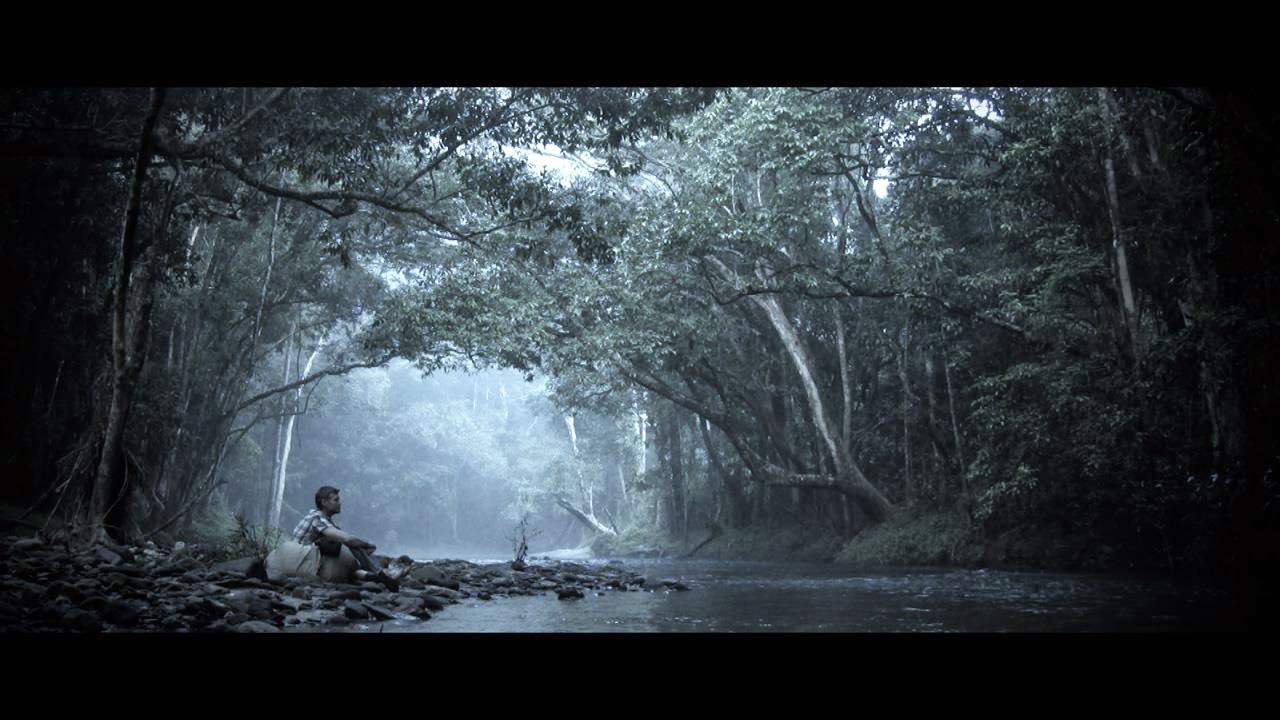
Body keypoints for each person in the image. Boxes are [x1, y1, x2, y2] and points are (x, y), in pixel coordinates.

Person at [267, 485, 398, 591]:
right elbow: (347, 539)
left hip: (309, 560)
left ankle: (374, 575)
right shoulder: (317, 518)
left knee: (351, 550)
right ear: (324, 502)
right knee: (352, 546)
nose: (339, 503)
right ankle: (382, 574)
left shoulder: (324, 520)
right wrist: (367, 544)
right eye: (336, 500)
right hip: (302, 560)